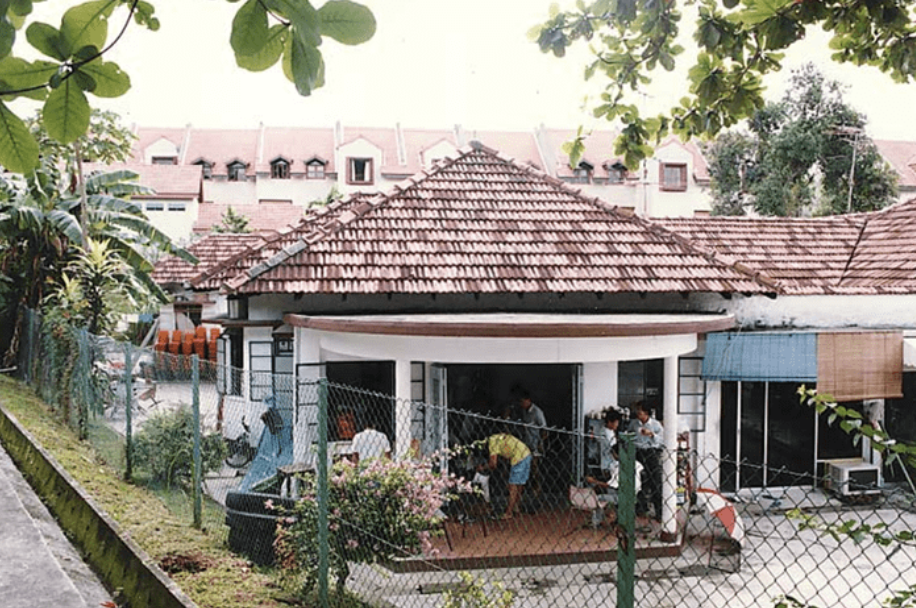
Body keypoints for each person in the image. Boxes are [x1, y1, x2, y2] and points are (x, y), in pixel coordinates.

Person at [478, 432, 531, 520]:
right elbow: (505, 453)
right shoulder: (497, 437)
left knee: (513, 486)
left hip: (518, 457)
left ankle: (508, 512)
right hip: (526, 452)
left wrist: (482, 467)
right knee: (520, 483)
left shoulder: (492, 442)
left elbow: (493, 464)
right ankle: (516, 507)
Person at [628, 401, 664, 522]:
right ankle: (640, 508)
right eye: (637, 411)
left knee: (655, 481)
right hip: (638, 452)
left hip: (651, 452)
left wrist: (651, 434)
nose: (638, 413)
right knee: (639, 480)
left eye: (640, 411)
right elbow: (629, 434)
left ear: (646, 413)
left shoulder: (655, 424)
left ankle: (659, 511)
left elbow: (662, 440)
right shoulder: (634, 424)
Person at [585, 408, 622, 527]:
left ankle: (601, 518)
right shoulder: (606, 433)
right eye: (616, 422)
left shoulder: (604, 431)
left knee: (608, 491)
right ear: (611, 422)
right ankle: (604, 518)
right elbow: (613, 450)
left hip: (608, 464)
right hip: (608, 465)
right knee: (611, 490)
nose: (617, 425)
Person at [516, 387, 546, 499]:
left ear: (528, 400)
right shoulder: (524, 412)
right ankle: (527, 492)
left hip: (535, 445)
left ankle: (537, 490)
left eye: (522, 401)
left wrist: (540, 444)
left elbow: (544, 429)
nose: (521, 404)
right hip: (525, 445)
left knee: (535, 469)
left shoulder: (537, 412)